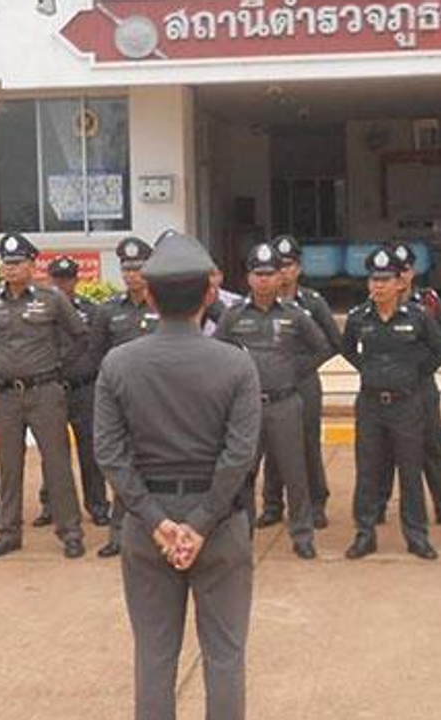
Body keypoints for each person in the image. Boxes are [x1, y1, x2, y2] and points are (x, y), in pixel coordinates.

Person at [93, 230, 261, 720]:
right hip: (221, 527)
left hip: (147, 531)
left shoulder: (119, 363)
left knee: (154, 658)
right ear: (210, 293)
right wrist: (202, 522)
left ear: (147, 292)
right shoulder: (236, 365)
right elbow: (240, 455)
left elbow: (110, 452)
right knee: (225, 657)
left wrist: (158, 522)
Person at [216, 243, 333, 558]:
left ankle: (302, 535)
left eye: (270, 274)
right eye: (258, 274)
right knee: (242, 473)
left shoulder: (295, 315)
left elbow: (322, 347)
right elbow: (217, 352)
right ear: (248, 277)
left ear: (279, 277)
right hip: (246, 408)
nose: (265, 280)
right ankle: (241, 536)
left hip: (285, 404)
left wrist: (297, 371)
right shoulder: (233, 316)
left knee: (295, 472)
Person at [0, 233, 88, 560]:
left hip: (45, 392)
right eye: (6, 263)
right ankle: (9, 532)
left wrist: (58, 368)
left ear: (32, 264)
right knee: (9, 467)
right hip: (6, 396)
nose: (10, 269)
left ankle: (70, 531)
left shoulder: (52, 298)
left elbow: (79, 337)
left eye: (17, 262)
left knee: (57, 464)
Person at [341, 246, 441, 560]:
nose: (378, 285)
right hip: (371, 405)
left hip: (407, 404)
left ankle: (416, 536)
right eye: (373, 280)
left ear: (400, 283)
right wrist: (369, 369)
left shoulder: (418, 317)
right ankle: (365, 534)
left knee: (410, 470)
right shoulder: (358, 318)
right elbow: (347, 349)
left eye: (385, 279)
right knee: (367, 471)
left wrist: (414, 373)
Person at [371, 241, 441, 529]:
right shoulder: (373, 305)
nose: (399, 277)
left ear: (411, 272)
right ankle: (377, 507)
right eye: (394, 271)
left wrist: (418, 364)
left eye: (404, 270)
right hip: (387, 388)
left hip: (422, 386)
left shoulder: (428, 302)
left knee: (432, 449)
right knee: (384, 452)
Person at [257, 234, 340, 530]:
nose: (285, 272)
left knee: (307, 443)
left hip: (304, 381)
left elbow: (333, 342)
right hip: (270, 384)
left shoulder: (312, 303)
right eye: (279, 266)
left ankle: (316, 503)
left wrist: (303, 366)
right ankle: (272, 505)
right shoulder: (257, 305)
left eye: (290, 265)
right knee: (270, 445)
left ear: (298, 268)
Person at [92, 236, 158, 558]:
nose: (132, 274)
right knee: (121, 466)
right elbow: (97, 355)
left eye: (138, 267)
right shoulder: (109, 311)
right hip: (122, 400)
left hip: (159, 400)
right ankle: (118, 533)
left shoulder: (164, 306)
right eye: (126, 268)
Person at [36, 256, 113, 528]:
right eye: (57, 279)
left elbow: (99, 347)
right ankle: (50, 505)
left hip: (84, 389)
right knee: (52, 451)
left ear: (76, 280)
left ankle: (98, 505)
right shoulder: (40, 310)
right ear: (49, 280)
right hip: (51, 387)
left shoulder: (92, 311)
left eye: (67, 279)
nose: (62, 285)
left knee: (90, 450)